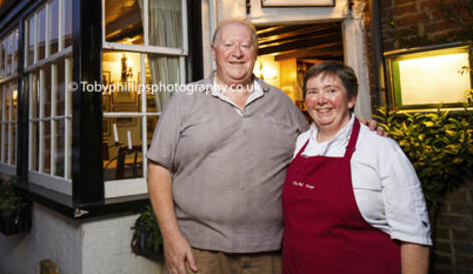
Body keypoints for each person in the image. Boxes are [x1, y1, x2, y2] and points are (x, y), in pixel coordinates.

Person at [147, 19, 383, 274]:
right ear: (214, 52)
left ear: (255, 54)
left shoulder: (281, 102)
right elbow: (158, 168)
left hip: (270, 252)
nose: (237, 53)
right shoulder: (185, 100)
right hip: (199, 251)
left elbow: (317, 144)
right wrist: (171, 239)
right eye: (228, 45)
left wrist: (350, 123)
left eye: (245, 46)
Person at [281, 62, 431, 274]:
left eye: (331, 90)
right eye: (312, 92)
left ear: (351, 99)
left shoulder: (380, 148)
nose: (321, 100)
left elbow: (413, 233)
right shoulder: (300, 143)